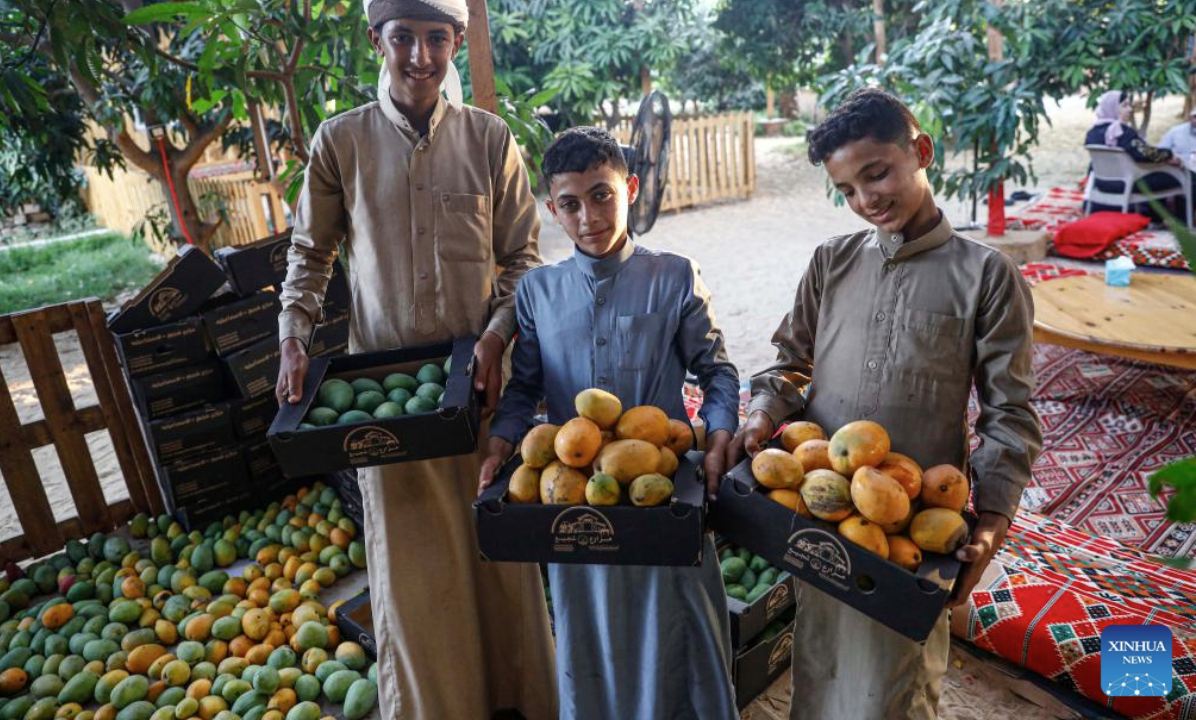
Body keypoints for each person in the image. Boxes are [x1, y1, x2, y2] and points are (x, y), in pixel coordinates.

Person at [275, 1, 557, 718]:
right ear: (378, 40)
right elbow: (311, 252)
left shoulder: (489, 140)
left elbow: (523, 259)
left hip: (480, 391)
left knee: (500, 558)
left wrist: (495, 337)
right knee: (413, 571)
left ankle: (519, 700)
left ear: (457, 42)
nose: (421, 56)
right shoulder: (342, 142)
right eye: (404, 38)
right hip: (385, 400)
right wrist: (293, 336)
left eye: (437, 38)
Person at [727, 88, 1043, 720]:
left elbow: (1011, 414)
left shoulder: (986, 275)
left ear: (920, 151)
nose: (866, 199)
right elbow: (791, 360)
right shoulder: (832, 262)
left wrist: (991, 521)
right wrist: (764, 412)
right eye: (847, 189)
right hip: (823, 510)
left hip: (914, 531)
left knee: (893, 683)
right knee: (819, 658)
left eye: (878, 174)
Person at [478, 127, 741, 720]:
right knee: (590, 632)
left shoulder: (674, 275)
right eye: (570, 204)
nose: (589, 216)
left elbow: (717, 372)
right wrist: (500, 445)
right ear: (552, 209)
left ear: (632, 188)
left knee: (679, 636)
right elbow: (523, 389)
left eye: (602, 195)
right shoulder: (537, 293)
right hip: (577, 496)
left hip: (664, 494)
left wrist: (719, 435)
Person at [1086, 90, 1184, 205]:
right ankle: (1170, 218)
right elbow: (1146, 154)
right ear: (1112, 107)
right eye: (1125, 105)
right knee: (1179, 177)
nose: (1130, 109)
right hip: (1127, 184)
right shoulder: (1123, 132)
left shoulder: (1092, 133)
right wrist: (1169, 154)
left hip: (1101, 183)